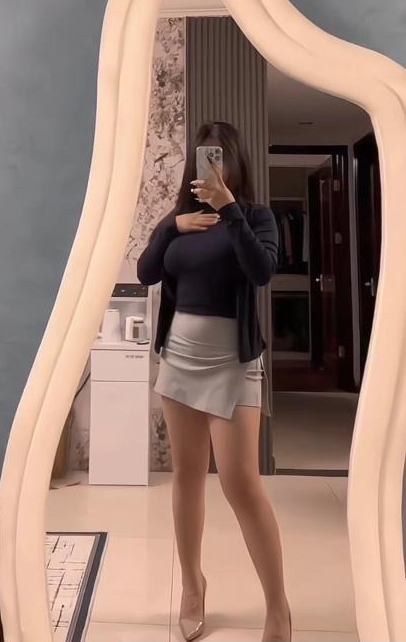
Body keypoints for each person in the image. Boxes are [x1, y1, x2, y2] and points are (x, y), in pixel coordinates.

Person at [137, 121, 291, 642]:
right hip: (179, 359)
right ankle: (192, 586)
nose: (213, 166)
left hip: (233, 363)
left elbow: (261, 272)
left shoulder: (256, 217)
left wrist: (229, 209)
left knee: (240, 483)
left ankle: (278, 607)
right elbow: (146, 272)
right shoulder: (178, 222)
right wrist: (170, 228)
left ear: (235, 163)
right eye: (206, 157)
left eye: (221, 157)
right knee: (186, 476)